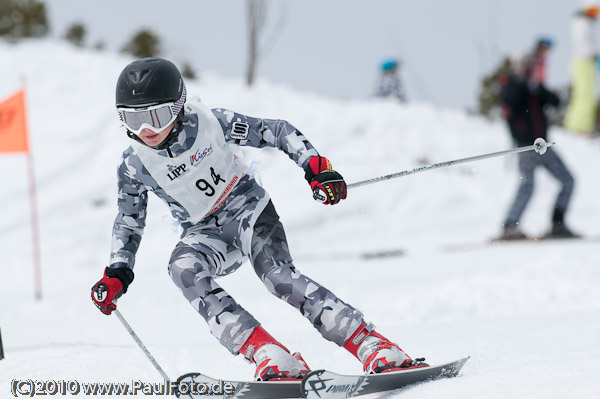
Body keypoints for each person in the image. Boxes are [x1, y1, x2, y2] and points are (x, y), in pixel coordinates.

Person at [91, 57, 427, 381]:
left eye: (159, 115)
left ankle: (371, 344)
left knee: (278, 277)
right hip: (205, 232)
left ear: (179, 106)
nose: (148, 129)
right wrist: (118, 272)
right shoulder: (134, 165)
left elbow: (277, 131)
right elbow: (128, 221)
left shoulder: (211, 123)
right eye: (134, 120)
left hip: (249, 211)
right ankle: (267, 352)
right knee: (182, 267)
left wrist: (315, 167)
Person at [499, 55, 577, 240]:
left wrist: (537, 87)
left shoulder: (535, 89)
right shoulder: (512, 87)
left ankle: (558, 223)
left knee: (567, 180)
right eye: (527, 68)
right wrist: (523, 84)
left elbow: (555, 101)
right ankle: (510, 226)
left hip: (543, 146)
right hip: (526, 147)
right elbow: (510, 103)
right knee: (527, 185)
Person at [564, 1, 599, 135]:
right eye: (592, 11)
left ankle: (583, 125)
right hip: (583, 60)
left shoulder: (588, 23)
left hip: (587, 61)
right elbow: (585, 44)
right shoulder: (581, 22)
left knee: (589, 94)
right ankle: (578, 126)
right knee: (585, 94)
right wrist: (595, 54)